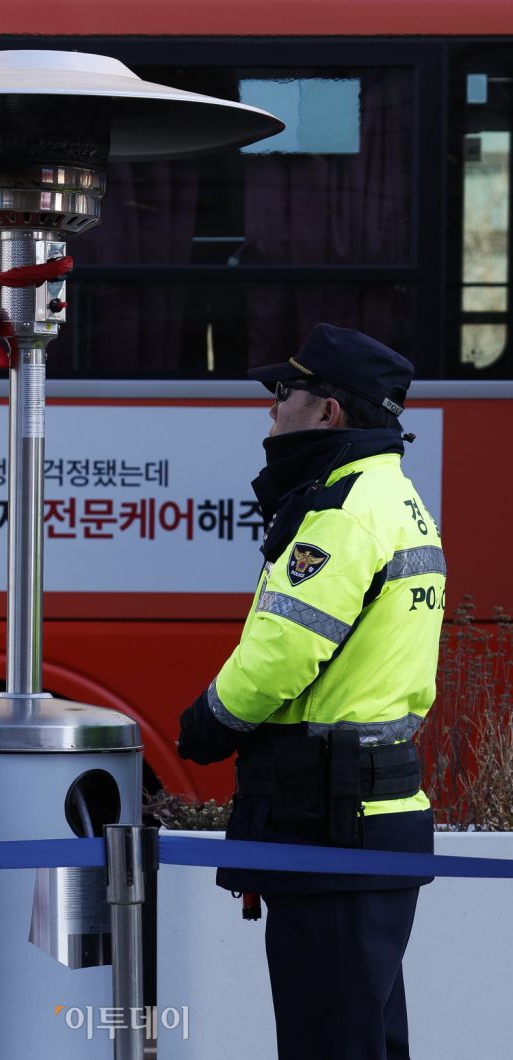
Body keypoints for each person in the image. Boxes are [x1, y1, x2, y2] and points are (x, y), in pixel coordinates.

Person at [177, 323, 446, 1060]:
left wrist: (208, 721)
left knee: (327, 1043)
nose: (272, 408)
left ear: (329, 411)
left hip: (329, 826)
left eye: (283, 392)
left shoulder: (342, 510)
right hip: (372, 816)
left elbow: (282, 651)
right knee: (366, 1038)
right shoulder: (397, 497)